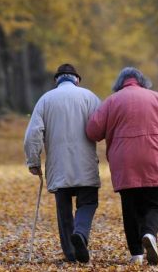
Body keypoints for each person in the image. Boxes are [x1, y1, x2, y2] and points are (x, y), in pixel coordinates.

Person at [86, 67, 158, 266]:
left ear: (120, 84)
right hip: (154, 157)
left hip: (124, 162)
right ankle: (149, 233)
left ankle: (136, 253)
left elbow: (93, 131)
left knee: (130, 207)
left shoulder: (111, 101)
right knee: (155, 203)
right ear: (142, 81)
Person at [23, 63, 102, 264]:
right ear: (77, 79)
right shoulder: (89, 97)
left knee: (64, 209)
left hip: (58, 165)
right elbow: (102, 127)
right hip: (85, 162)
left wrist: (33, 161)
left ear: (56, 80)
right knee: (88, 202)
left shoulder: (45, 100)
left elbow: (33, 134)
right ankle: (81, 234)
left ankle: (70, 253)